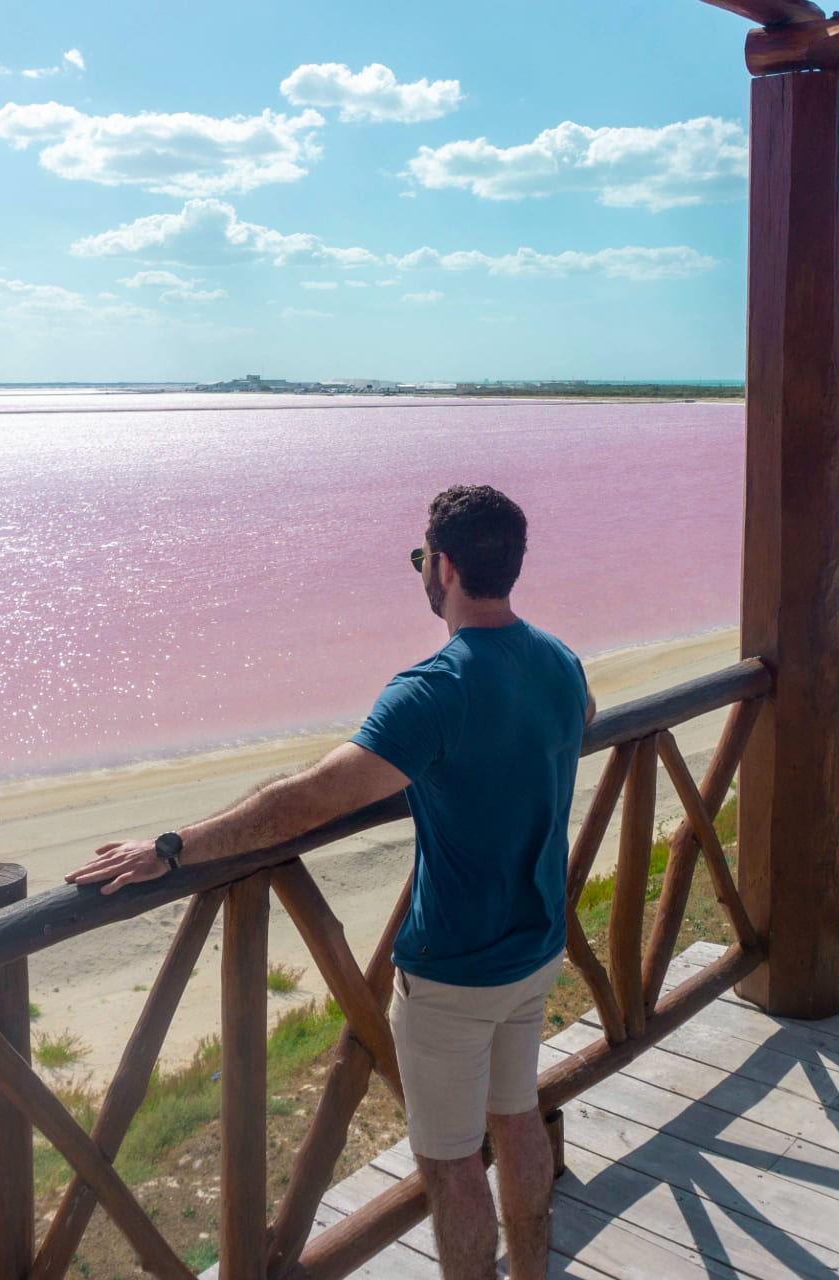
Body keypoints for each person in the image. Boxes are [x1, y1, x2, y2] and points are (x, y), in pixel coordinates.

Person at [68, 484, 592, 1280]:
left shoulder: (433, 689)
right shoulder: (559, 662)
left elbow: (303, 802)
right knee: (516, 1117)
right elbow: (582, 718)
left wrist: (175, 846)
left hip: (455, 966)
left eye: (421, 559)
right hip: (538, 944)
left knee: (452, 1160)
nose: (422, 572)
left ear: (444, 567)